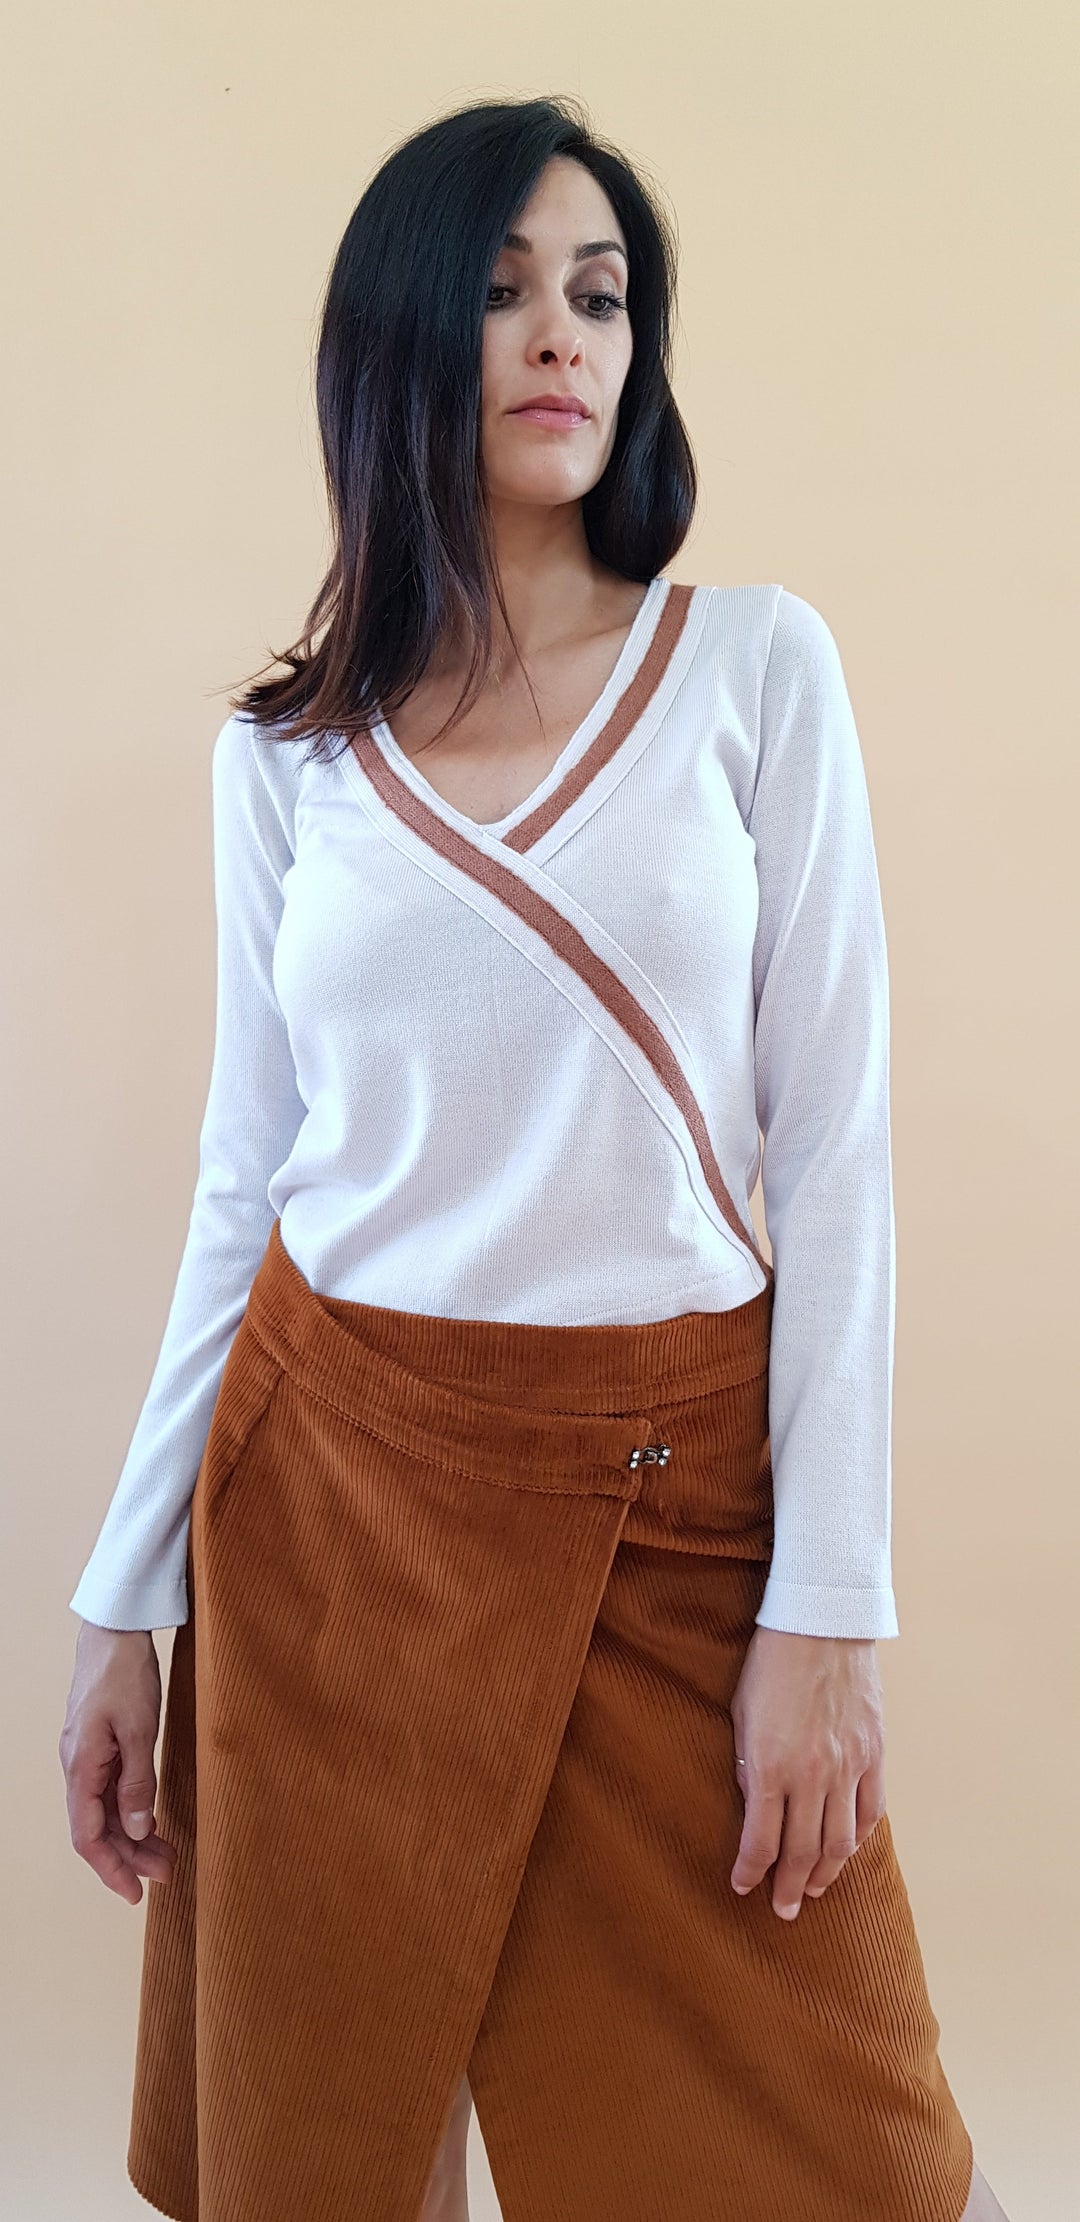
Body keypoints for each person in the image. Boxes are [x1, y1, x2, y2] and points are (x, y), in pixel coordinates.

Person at [59, 94, 1009, 2222]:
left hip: (674, 1514)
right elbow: (252, 1169)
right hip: (329, 1520)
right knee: (320, 2158)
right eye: (501, 292)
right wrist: (118, 1598)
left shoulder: (752, 667)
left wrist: (827, 1609)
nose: (563, 335)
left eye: (601, 294)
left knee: (832, 2157)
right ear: (400, 337)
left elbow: (837, 1152)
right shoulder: (291, 755)